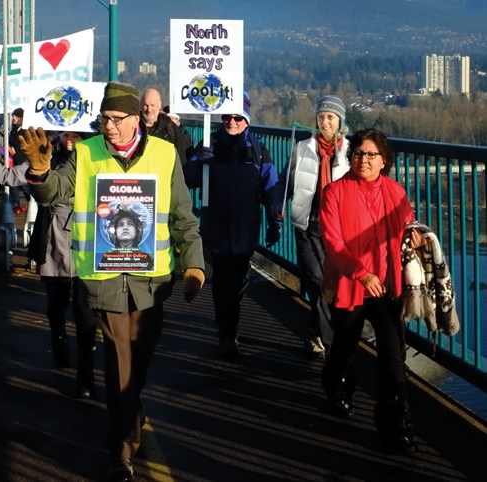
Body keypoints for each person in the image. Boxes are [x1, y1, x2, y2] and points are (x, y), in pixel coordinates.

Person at [19, 81, 205, 482]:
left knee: (137, 369)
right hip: (102, 282)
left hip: (151, 284)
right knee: (120, 365)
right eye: (104, 119)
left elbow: (182, 217)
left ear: (135, 119)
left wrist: (194, 265)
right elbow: (54, 193)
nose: (109, 126)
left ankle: (130, 415)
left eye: (116, 119)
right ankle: (120, 452)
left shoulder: (165, 154)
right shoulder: (84, 153)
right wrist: (39, 169)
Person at [0, 129, 98, 398]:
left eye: (77, 136)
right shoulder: (46, 158)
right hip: (54, 245)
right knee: (55, 310)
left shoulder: (98, 161)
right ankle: (60, 352)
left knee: (86, 315)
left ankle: (86, 375)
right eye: (67, 135)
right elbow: (8, 176)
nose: (70, 140)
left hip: (88, 250)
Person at [319, 128, 426, 454]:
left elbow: (409, 226)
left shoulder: (395, 192)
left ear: (384, 161)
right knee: (345, 345)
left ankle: (397, 426)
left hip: (387, 287)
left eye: (370, 155)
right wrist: (361, 273)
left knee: (394, 358)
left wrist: (416, 237)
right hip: (349, 285)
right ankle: (336, 383)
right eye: (358, 153)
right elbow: (333, 244)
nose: (363, 160)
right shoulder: (335, 192)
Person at [183, 92, 280, 358]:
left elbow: (270, 188)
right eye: (227, 116)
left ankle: (229, 322)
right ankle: (227, 332)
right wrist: (196, 161)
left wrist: (275, 220)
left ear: (247, 120)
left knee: (238, 280)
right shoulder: (209, 144)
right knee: (222, 280)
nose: (232, 121)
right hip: (217, 225)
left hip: (245, 228)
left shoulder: (259, 151)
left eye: (238, 117)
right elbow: (187, 180)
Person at [276, 95, 350, 359]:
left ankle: (313, 331)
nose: (325, 121)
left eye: (330, 117)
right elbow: (286, 180)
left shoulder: (350, 152)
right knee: (317, 282)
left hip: (337, 230)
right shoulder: (303, 147)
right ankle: (333, 346)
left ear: (340, 121)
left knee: (332, 285)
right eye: (321, 116)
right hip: (307, 224)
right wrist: (277, 203)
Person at [139, 87, 193, 165]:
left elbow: (181, 159)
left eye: (152, 105)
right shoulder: (132, 126)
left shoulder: (171, 129)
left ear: (159, 105)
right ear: (140, 104)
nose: (149, 109)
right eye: (146, 105)